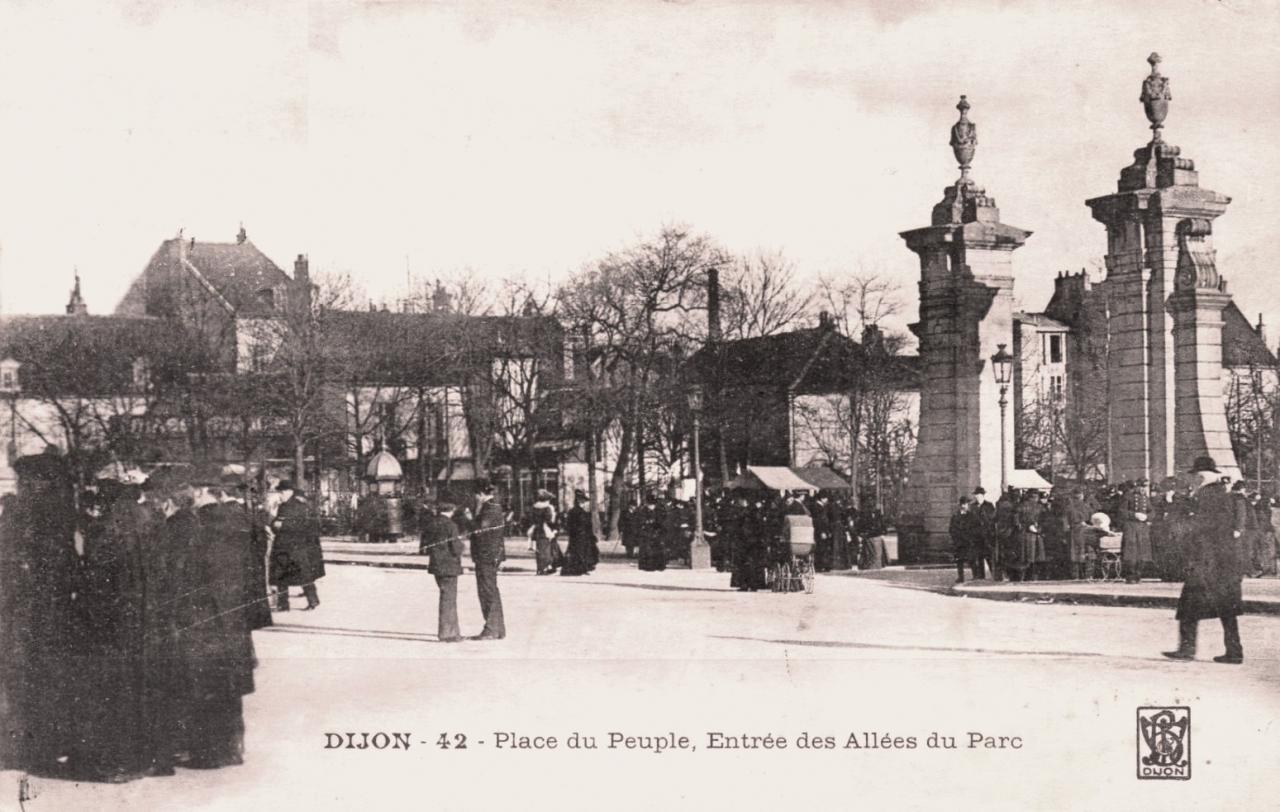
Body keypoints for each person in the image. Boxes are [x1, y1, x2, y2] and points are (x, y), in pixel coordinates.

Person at [1164, 456, 1246, 664]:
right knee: (1227, 608)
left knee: (1188, 605)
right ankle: (1234, 651)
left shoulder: (1206, 496)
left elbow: (1199, 528)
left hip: (1207, 561)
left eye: (1193, 477)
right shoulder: (1223, 495)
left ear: (1200, 477)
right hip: (1226, 561)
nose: (1191, 481)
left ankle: (1187, 649)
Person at [269, 480, 324, 611]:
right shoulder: (284, 505)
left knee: (302, 574)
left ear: (289, 492)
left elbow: (303, 525)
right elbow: (276, 522)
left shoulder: (299, 506)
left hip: (295, 545)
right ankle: (284, 604)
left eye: (281, 492)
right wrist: (275, 526)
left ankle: (312, 600)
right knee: (281, 575)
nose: (280, 495)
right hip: (284, 545)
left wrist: (282, 526)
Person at [469, 481, 507, 640]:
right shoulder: (494, 506)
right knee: (490, 590)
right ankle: (497, 628)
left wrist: (469, 519)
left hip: (486, 555)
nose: (475, 498)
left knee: (487, 591)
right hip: (490, 555)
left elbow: (480, 531)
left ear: (481, 494)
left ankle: (491, 628)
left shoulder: (489, 508)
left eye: (476, 495)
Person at [422, 502, 465, 642]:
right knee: (449, 599)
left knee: (445, 596)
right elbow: (455, 547)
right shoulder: (451, 525)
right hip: (449, 566)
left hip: (436, 565)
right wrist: (462, 545)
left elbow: (424, 546)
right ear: (451, 511)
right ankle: (448, 633)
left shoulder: (430, 523)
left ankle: (450, 631)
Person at [1120, 479, 1153, 583]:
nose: (1143, 488)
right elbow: (1122, 511)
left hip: (1142, 527)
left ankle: (1138, 575)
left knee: (1142, 552)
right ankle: (1130, 576)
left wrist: (1147, 517)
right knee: (1131, 552)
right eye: (1142, 486)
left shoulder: (1145, 498)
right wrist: (1134, 515)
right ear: (1136, 486)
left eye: (1145, 486)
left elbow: (1152, 511)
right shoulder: (1128, 496)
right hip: (1131, 526)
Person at [561, 490, 599, 576]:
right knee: (579, 552)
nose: (585, 503)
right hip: (579, 535)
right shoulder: (577, 512)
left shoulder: (579, 511)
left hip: (582, 535)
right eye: (584, 501)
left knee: (583, 552)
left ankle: (583, 568)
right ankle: (577, 569)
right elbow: (572, 525)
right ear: (579, 502)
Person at [527, 489, 561, 575]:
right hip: (546, 529)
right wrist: (555, 528)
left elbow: (530, 519)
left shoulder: (534, 507)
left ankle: (540, 568)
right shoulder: (548, 508)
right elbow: (549, 520)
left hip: (536, 529)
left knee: (539, 548)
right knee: (546, 548)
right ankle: (546, 567)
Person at [636, 494, 667, 572]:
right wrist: (647, 523)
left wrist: (658, 524)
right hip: (647, 532)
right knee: (647, 549)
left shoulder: (659, 510)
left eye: (653, 505)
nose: (651, 506)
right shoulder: (643, 511)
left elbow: (663, 520)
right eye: (650, 505)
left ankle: (659, 565)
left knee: (658, 549)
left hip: (657, 531)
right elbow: (640, 521)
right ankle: (648, 566)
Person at [971, 486, 996, 580]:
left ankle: (994, 575)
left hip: (987, 535)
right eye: (976, 495)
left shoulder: (989, 505)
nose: (977, 497)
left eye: (979, 495)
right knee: (978, 557)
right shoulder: (973, 506)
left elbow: (992, 519)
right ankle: (980, 577)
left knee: (989, 556)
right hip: (976, 536)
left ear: (983, 495)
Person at [949, 496, 975, 583]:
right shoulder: (956, 516)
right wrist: (955, 539)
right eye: (966, 504)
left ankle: (975, 576)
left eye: (967, 504)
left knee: (972, 559)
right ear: (962, 505)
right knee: (959, 560)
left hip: (968, 542)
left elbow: (974, 528)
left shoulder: (971, 516)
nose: (966, 506)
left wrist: (971, 538)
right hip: (959, 542)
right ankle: (961, 577)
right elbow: (951, 529)